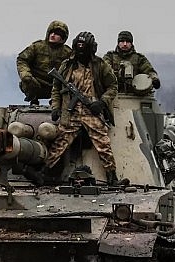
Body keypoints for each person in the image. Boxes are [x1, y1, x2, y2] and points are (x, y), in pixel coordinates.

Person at [46, 31, 123, 186]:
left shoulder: (100, 65)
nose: (81, 50)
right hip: (71, 112)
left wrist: (102, 102)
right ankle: (46, 172)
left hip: (91, 112)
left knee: (102, 143)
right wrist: (56, 107)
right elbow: (56, 88)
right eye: (79, 47)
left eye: (84, 47)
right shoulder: (67, 65)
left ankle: (112, 176)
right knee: (59, 143)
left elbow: (113, 86)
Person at [16, 20, 72, 105]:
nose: (53, 35)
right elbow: (22, 59)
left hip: (56, 85)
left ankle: (56, 102)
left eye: (57, 34)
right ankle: (33, 98)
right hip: (37, 83)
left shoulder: (67, 52)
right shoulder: (37, 47)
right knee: (27, 80)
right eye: (51, 32)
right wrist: (25, 74)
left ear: (63, 37)